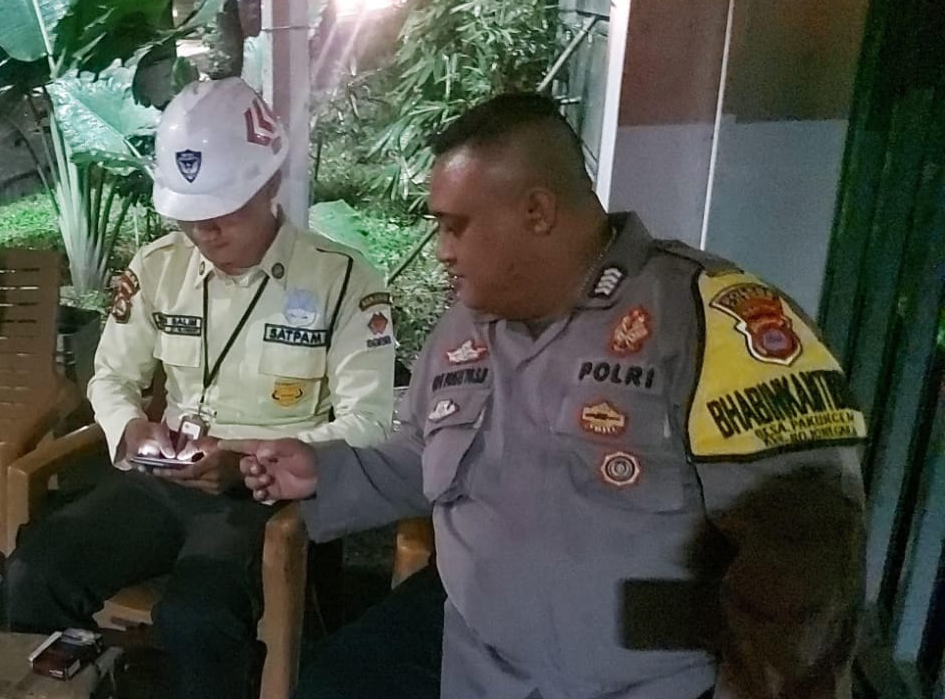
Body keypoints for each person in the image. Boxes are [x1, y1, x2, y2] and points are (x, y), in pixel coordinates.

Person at [233, 92, 868, 699]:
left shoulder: (709, 322)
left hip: (637, 681)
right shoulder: (463, 329)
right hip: (474, 652)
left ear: (537, 212)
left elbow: (809, 562)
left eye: (456, 227)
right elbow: (421, 456)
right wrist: (324, 471)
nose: (442, 252)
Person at [4, 77, 396, 699]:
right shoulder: (158, 268)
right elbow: (111, 376)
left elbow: (368, 423)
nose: (204, 233)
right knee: (36, 571)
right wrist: (131, 429)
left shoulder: (344, 281)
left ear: (270, 184)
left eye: (223, 213)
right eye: (189, 218)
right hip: (162, 478)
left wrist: (246, 461)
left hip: (265, 494)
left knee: (197, 617)